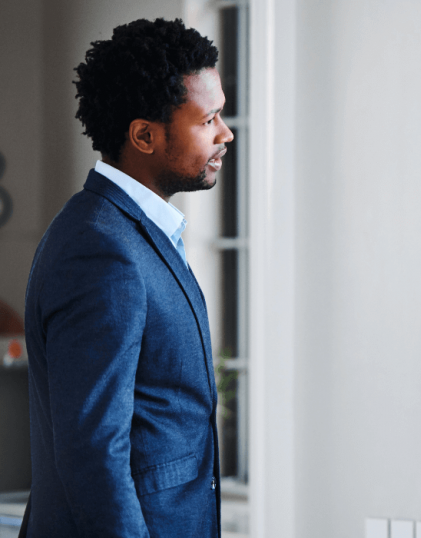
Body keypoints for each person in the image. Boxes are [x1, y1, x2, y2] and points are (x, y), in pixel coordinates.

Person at [23, 18, 233, 537]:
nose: (225, 133)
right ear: (143, 135)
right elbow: (94, 453)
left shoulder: (132, 232)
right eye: (208, 120)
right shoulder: (100, 249)